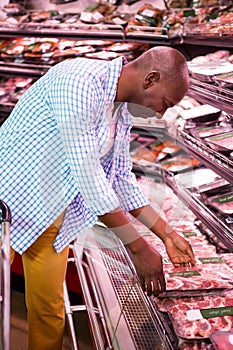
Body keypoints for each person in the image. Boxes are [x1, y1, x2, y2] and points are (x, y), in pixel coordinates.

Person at [0, 46, 195, 350]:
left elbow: (118, 176)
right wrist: (138, 248)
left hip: (51, 213)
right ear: (151, 79)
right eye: (165, 103)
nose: (161, 112)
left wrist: (166, 233)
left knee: (49, 312)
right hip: (9, 203)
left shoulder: (121, 108)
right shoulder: (79, 81)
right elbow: (88, 172)